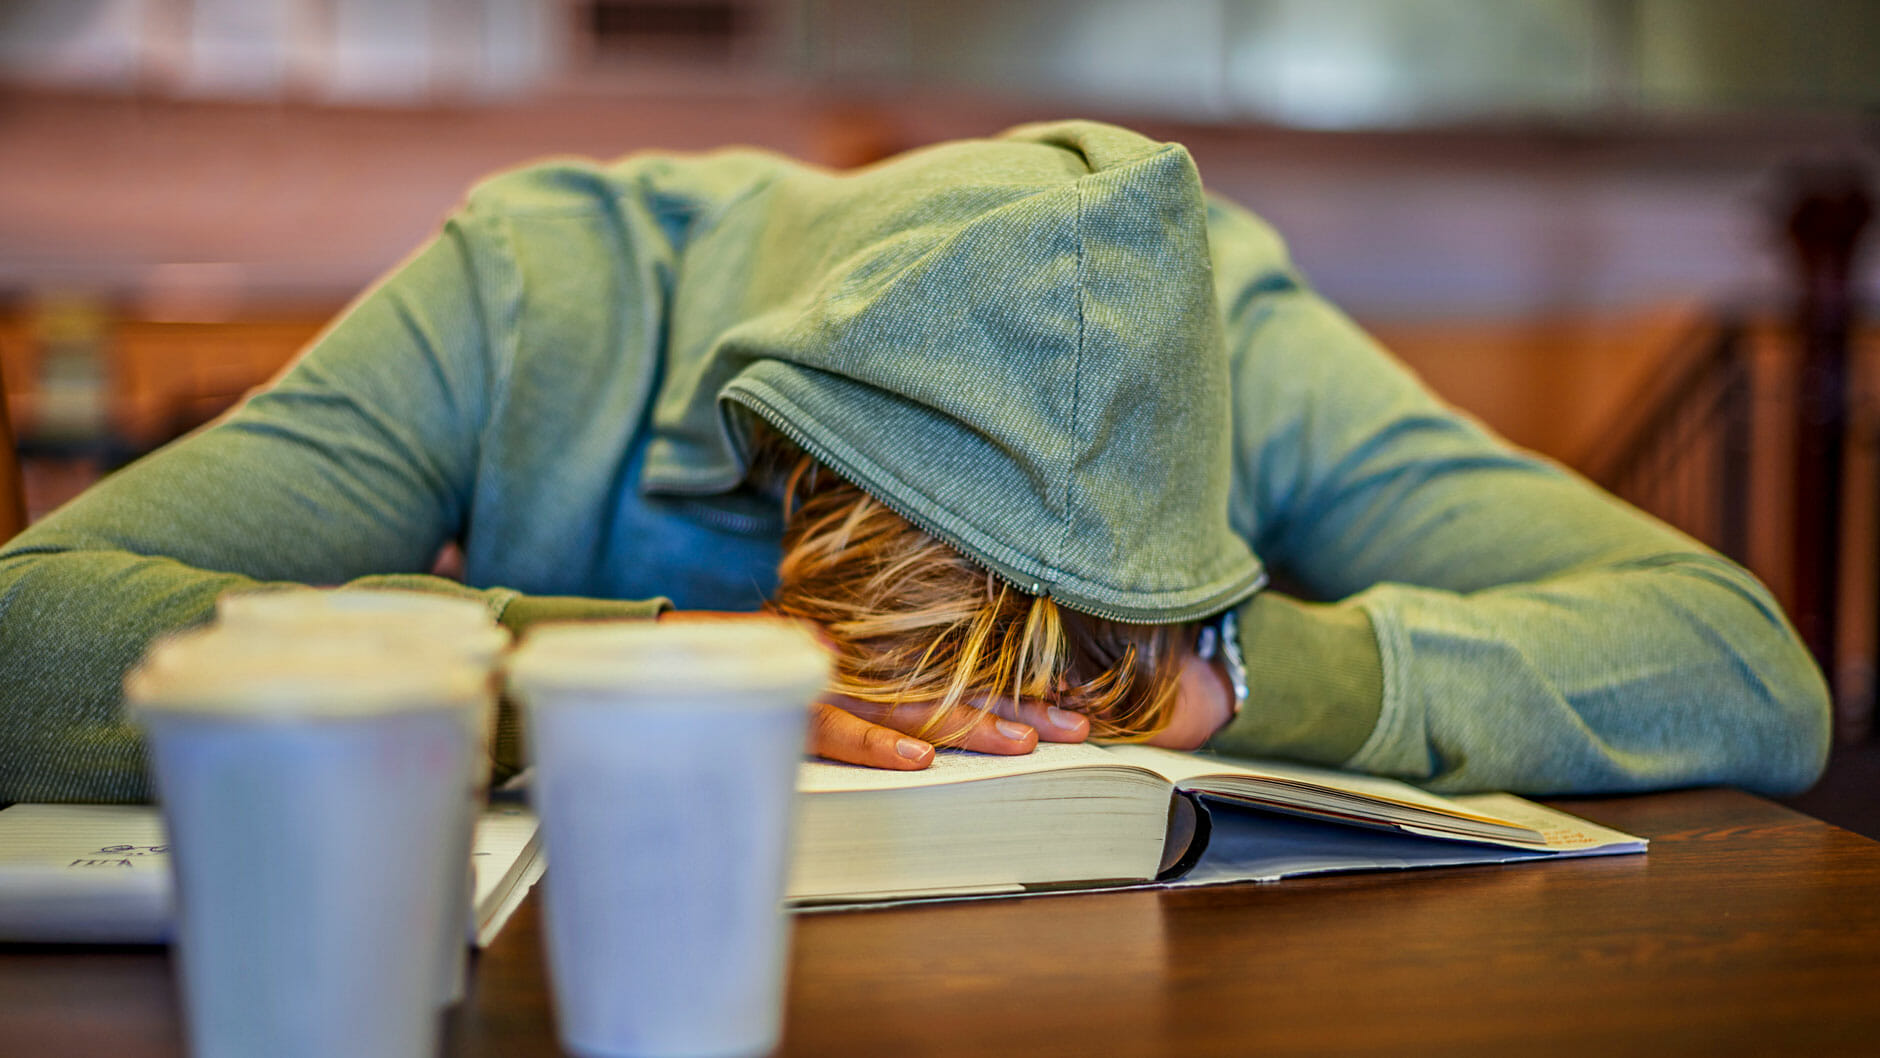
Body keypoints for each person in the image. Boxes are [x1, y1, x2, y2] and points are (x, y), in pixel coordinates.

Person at [0, 120, 1830, 805]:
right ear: (780, 458)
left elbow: (1748, 667)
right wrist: (602, 673)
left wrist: (1237, 679)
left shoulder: (1239, 342)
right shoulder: (527, 293)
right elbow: (30, 627)